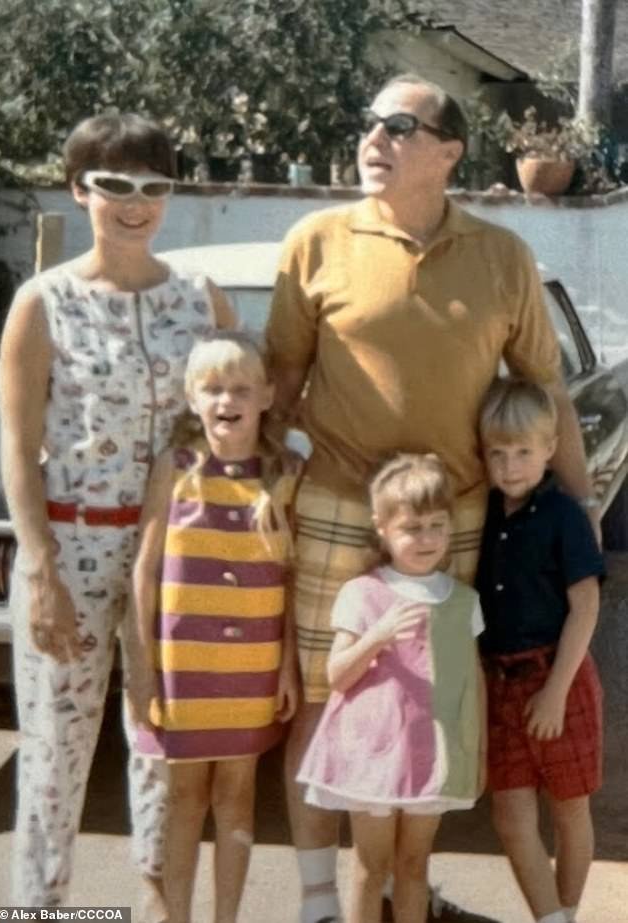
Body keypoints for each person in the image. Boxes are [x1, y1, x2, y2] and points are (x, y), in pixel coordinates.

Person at [265, 73, 600, 923]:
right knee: (327, 699)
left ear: (450, 152)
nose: (373, 139)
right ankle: (320, 902)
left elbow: (544, 391)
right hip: (336, 504)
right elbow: (281, 381)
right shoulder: (314, 241)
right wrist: (260, 481)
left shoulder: (502, 256)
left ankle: (396, 883)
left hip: (456, 518)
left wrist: (579, 509)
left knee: (430, 702)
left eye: (398, 126)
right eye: (369, 122)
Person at [0, 112, 235, 913]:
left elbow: (240, 407)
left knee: (161, 744)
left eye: (153, 186)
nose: (136, 204)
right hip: (71, 545)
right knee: (54, 755)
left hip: (173, 552)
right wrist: (39, 569)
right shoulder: (44, 301)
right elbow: (17, 446)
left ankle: (156, 907)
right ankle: (40, 910)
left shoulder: (199, 299)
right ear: (79, 189)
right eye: (115, 185)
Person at [129, 331, 303, 923]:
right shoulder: (175, 468)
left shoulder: (284, 474)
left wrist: (286, 668)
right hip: (182, 670)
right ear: (191, 397)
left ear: (266, 396)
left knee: (236, 799)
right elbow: (145, 571)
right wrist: (142, 668)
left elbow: (292, 580)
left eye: (241, 389)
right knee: (184, 799)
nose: (226, 400)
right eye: (212, 389)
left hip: (251, 669)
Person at [298, 454, 486, 923]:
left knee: (414, 864)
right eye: (412, 528)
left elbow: (472, 682)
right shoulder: (362, 592)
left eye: (437, 525)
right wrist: (377, 636)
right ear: (382, 528)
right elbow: (337, 675)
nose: (426, 539)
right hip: (373, 757)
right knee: (370, 866)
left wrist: (478, 751)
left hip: (433, 757)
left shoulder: (463, 601)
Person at [475, 379, 604, 923]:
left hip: (559, 676)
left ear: (550, 448)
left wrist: (554, 692)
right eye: (498, 454)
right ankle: (551, 918)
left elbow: (586, 606)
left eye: (524, 452)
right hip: (500, 684)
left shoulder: (563, 515)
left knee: (570, 809)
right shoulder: (481, 514)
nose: (510, 467)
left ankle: (565, 912)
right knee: (510, 817)